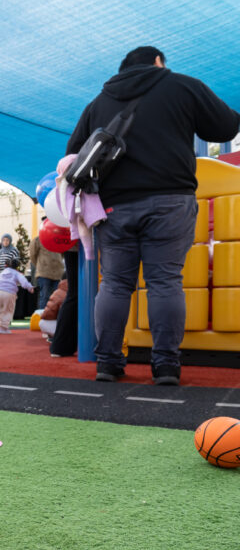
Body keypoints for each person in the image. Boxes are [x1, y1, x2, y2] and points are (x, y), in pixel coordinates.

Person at [67, 46, 239, 385]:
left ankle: (108, 362)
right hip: (170, 200)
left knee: (114, 284)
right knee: (164, 282)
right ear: (158, 62)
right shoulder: (182, 86)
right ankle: (165, 367)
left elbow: (74, 151)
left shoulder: (99, 102)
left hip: (114, 207)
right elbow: (225, 127)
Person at [0, 258, 33, 333]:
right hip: (10, 293)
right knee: (8, 310)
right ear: (17, 267)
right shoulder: (17, 273)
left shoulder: (2, 272)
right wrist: (30, 288)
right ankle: (3, 328)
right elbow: (24, 282)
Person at [28, 225, 64, 311]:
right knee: (45, 296)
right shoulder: (38, 239)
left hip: (58, 273)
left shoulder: (58, 238)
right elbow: (32, 255)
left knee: (57, 297)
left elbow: (62, 252)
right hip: (44, 273)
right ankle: (42, 318)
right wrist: (40, 265)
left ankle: (55, 318)